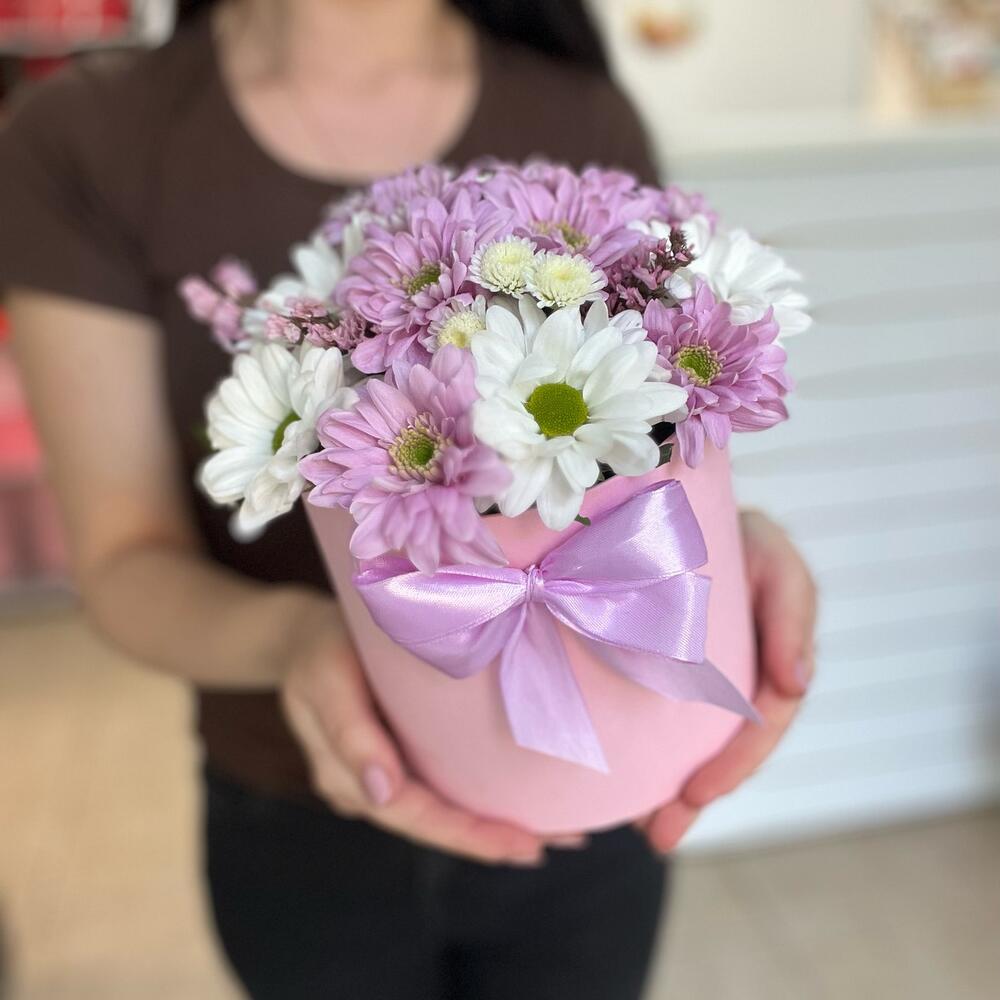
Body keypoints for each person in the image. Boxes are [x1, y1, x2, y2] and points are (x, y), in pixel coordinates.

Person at [0, 1, 817, 997]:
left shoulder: (577, 112)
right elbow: (122, 559)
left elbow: (648, 419)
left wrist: (718, 541)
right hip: (295, 811)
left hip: (601, 790)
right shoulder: (84, 138)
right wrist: (299, 641)